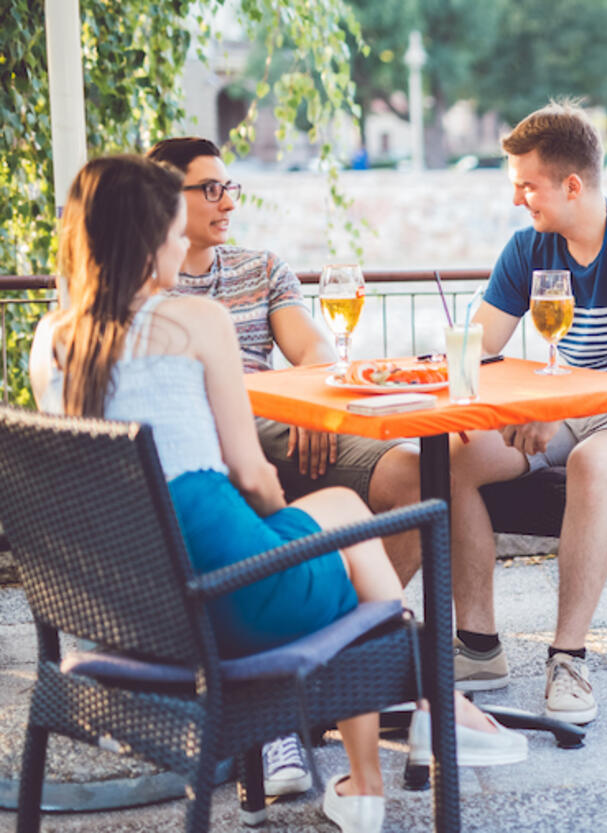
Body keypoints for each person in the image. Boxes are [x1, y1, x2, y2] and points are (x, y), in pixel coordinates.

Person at [30, 155, 524, 833]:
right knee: (351, 540)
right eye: (173, 232)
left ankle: (397, 742)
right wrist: (282, 541)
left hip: (126, 609)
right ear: (144, 241)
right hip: (225, 601)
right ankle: (416, 719)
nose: (181, 244)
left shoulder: (51, 341)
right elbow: (253, 474)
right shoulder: (194, 320)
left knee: (339, 524)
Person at [146, 137, 425, 792]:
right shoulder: (148, 290)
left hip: (280, 427)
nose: (227, 201)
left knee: (416, 475)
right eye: (209, 188)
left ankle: (339, 665)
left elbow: (316, 354)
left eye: (230, 187)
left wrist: (307, 411)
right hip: (210, 445)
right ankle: (291, 706)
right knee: (250, 500)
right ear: (163, 200)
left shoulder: (261, 266)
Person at [447, 101, 607, 725]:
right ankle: (478, 648)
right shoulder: (528, 248)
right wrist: (449, 367)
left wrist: (559, 401)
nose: (517, 199)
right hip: (569, 413)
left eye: (527, 186)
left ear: (571, 185)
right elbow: (480, 345)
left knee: (592, 463)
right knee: (453, 459)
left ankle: (568, 658)